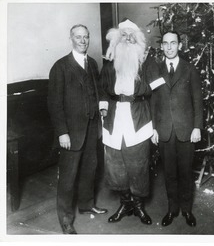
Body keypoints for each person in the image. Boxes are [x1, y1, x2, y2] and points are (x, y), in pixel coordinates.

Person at [99, 19, 161, 225]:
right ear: (118, 38)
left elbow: (156, 94)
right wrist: (103, 108)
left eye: (131, 35)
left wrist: (155, 126)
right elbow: (102, 90)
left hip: (139, 118)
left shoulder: (147, 61)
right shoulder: (109, 61)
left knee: (138, 165)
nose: (127, 38)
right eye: (123, 35)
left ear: (138, 39)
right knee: (116, 165)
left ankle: (139, 206)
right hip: (114, 119)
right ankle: (125, 205)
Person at [48, 24, 107, 234]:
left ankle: (86, 204)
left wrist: (102, 109)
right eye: (78, 37)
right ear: (71, 39)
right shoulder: (61, 67)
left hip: (92, 128)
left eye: (86, 37)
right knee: (68, 177)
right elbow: (54, 104)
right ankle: (65, 219)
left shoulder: (91, 63)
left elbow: (97, 91)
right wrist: (62, 132)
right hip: (71, 132)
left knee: (89, 170)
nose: (83, 41)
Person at [150, 31, 204, 227]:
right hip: (164, 131)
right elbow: (153, 102)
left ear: (180, 45)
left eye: (173, 43)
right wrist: (154, 128)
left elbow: (198, 102)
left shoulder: (190, 69)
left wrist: (197, 127)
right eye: (166, 43)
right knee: (169, 173)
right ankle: (172, 210)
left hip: (186, 131)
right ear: (162, 47)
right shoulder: (156, 70)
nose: (170, 47)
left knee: (185, 172)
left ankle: (187, 210)